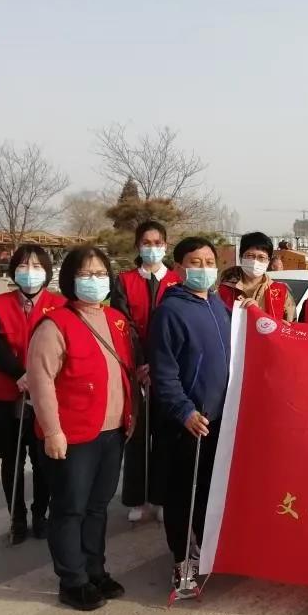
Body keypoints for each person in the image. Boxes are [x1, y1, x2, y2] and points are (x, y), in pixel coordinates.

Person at [28, 246, 134, 611]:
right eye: (86, 274)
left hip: (112, 431)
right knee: (70, 508)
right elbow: (41, 381)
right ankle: (72, 580)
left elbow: (122, 369)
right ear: (70, 279)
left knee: (97, 507)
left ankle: (95, 570)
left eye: (101, 273)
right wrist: (52, 431)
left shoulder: (115, 320)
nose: (95, 280)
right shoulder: (54, 324)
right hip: (72, 434)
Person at [149, 236, 232, 589]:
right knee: (181, 494)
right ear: (179, 268)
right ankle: (182, 560)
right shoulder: (170, 311)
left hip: (217, 420)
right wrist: (184, 411)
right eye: (195, 263)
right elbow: (164, 373)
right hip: (186, 422)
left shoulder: (218, 305)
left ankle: (204, 550)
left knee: (207, 493)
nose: (204, 269)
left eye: (209, 262)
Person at [0, 244, 65, 545]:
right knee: (11, 460)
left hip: (45, 395)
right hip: (9, 393)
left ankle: (40, 515)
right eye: (24, 266)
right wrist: (20, 374)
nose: (30, 272)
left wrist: (38, 377)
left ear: (47, 271)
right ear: (14, 270)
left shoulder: (60, 305)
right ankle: (16, 517)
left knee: (42, 460)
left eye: (37, 266)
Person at [110, 220, 183, 524]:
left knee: (165, 436)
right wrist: (140, 363)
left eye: (157, 243)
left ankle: (161, 497)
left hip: (168, 370)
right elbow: (121, 324)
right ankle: (136, 498)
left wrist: (159, 364)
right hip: (136, 369)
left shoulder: (178, 281)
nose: (152, 248)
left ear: (165, 245)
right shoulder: (124, 280)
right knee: (137, 436)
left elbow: (180, 326)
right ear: (138, 246)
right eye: (146, 242)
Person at [219, 231, 296, 321]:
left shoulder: (280, 292)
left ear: (268, 261)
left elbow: (293, 325)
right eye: (250, 256)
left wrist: (281, 326)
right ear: (240, 258)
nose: (255, 261)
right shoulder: (222, 291)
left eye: (261, 257)